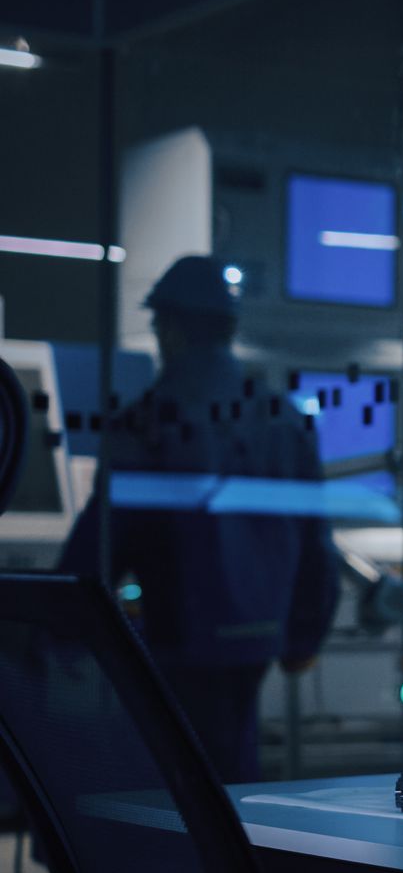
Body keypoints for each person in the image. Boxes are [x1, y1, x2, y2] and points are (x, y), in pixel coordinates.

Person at [61, 256, 340, 782]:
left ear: (169, 330)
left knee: (179, 780)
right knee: (233, 765)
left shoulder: (146, 421)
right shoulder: (284, 419)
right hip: (259, 637)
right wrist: (304, 636)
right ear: (228, 329)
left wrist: (52, 625)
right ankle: (233, 860)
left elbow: (100, 545)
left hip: (180, 639)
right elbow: (316, 544)